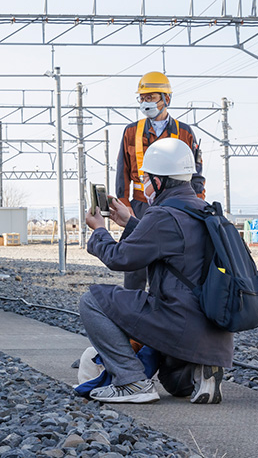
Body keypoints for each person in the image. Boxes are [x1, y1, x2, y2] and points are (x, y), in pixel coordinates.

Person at [80, 138, 232, 404]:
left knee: (92, 300)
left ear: (159, 182)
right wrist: (130, 222)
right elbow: (170, 242)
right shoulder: (203, 210)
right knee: (174, 384)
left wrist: (99, 231)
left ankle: (131, 382)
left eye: (146, 180)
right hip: (214, 332)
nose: (144, 187)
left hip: (177, 320)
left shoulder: (162, 214)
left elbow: (120, 258)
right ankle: (200, 370)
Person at [115, 71, 205, 289]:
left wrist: (198, 205)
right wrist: (124, 204)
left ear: (167, 99)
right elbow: (122, 171)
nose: (146, 103)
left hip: (176, 205)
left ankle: (165, 301)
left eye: (152, 97)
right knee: (135, 258)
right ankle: (131, 303)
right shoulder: (130, 132)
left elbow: (196, 173)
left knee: (170, 257)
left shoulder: (184, 132)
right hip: (139, 204)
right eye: (143, 98)